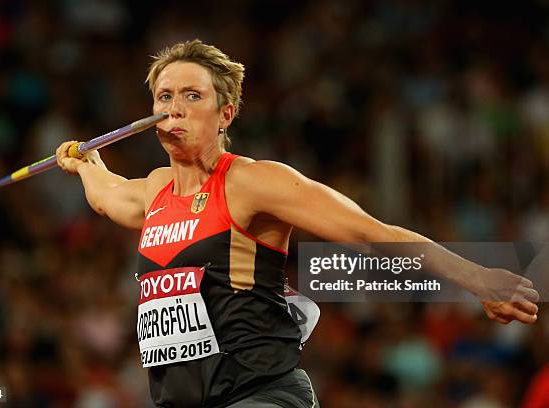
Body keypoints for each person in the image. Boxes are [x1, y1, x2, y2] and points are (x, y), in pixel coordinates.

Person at [56, 40, 539, 407]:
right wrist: (83, 165)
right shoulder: (155, 191)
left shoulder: (252, 183)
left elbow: (372, 233)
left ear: (226, 113)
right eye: (164, 96)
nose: (174, 107)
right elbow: (108, 198)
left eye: (191, 95)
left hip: (259, 394)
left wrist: (479, 279)